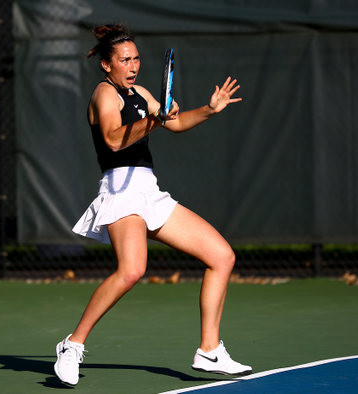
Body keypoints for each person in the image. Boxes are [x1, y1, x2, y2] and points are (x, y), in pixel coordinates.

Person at [53, 23, 252, 387]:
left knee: (222, 256)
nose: (133, 66)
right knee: (131, 271)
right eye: (125, 60)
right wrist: (155, 120)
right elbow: (114, 140)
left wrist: (209, 109)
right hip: (120, 191)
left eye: (137, 59)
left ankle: (209, 350)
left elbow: (174, 123)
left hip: (149, 191)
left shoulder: (141, 93)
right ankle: (72, 344)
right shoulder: (104, 95)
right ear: (106, 65)